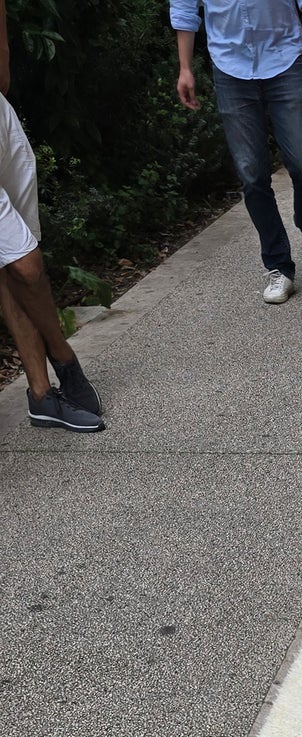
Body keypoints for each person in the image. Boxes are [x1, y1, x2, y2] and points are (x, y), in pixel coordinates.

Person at [173, 0, 302, 305]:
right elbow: (184, 9)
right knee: (251, 173)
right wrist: (185, 68)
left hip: (284, 57)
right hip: (230, 66)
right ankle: (278, 265)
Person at [0, 0, 104, 429]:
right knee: (26, 265)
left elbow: (3, 75)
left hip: (1, 124)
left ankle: (41, 395)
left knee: (9, 268)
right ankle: (64, 357)